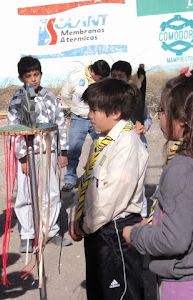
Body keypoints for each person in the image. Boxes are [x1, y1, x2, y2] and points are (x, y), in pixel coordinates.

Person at [69, 78, 148, 299]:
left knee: (120, 292)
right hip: (97, 229)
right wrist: (76, 216)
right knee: (100, 290)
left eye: (94, 110)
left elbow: (111, 198)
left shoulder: (127, 145)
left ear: (115, 112)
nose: (89, 116)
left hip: (117, 231)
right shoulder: (101, 141)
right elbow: (87, 181)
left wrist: (85, 224)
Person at [123, 75, 193, 300]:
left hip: (182, 283)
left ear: (181, 119)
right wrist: (155, 222)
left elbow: (174, 240)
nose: (159, 116)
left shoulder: (182, 170)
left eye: (162, 110)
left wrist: (135, 234)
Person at [7, 56, 71, 252]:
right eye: (29, 76)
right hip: (28, 155)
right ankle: (28, 234)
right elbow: (14, 131)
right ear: (21, 78)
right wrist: (23, 158)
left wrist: (63, 151)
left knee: (51, 192)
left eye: (36, 75)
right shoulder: (18, 101)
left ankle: (51, 230)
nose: (33, 79)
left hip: (49, 151)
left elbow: (60, 124)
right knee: (26, 195)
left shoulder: (50, 97)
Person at [61, 60, 110, 192]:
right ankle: (70, 179)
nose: (102, 81)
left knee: (102, 147)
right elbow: (65, 95)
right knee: (73, 149)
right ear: (92, 72)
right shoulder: (76, 77)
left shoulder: (106, 79)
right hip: (79, 119)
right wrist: (75, 109)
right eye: (99, 78)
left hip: (99, 119)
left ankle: (95, 177)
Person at [111, 60, 152, 148]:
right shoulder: (106, 97)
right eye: (114, 76)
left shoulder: (136, 98)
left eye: (121, 76)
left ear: (128, 78)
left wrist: (144, 127)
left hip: (136, 142)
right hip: (114, 143)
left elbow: (147, 118)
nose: (117, 79)